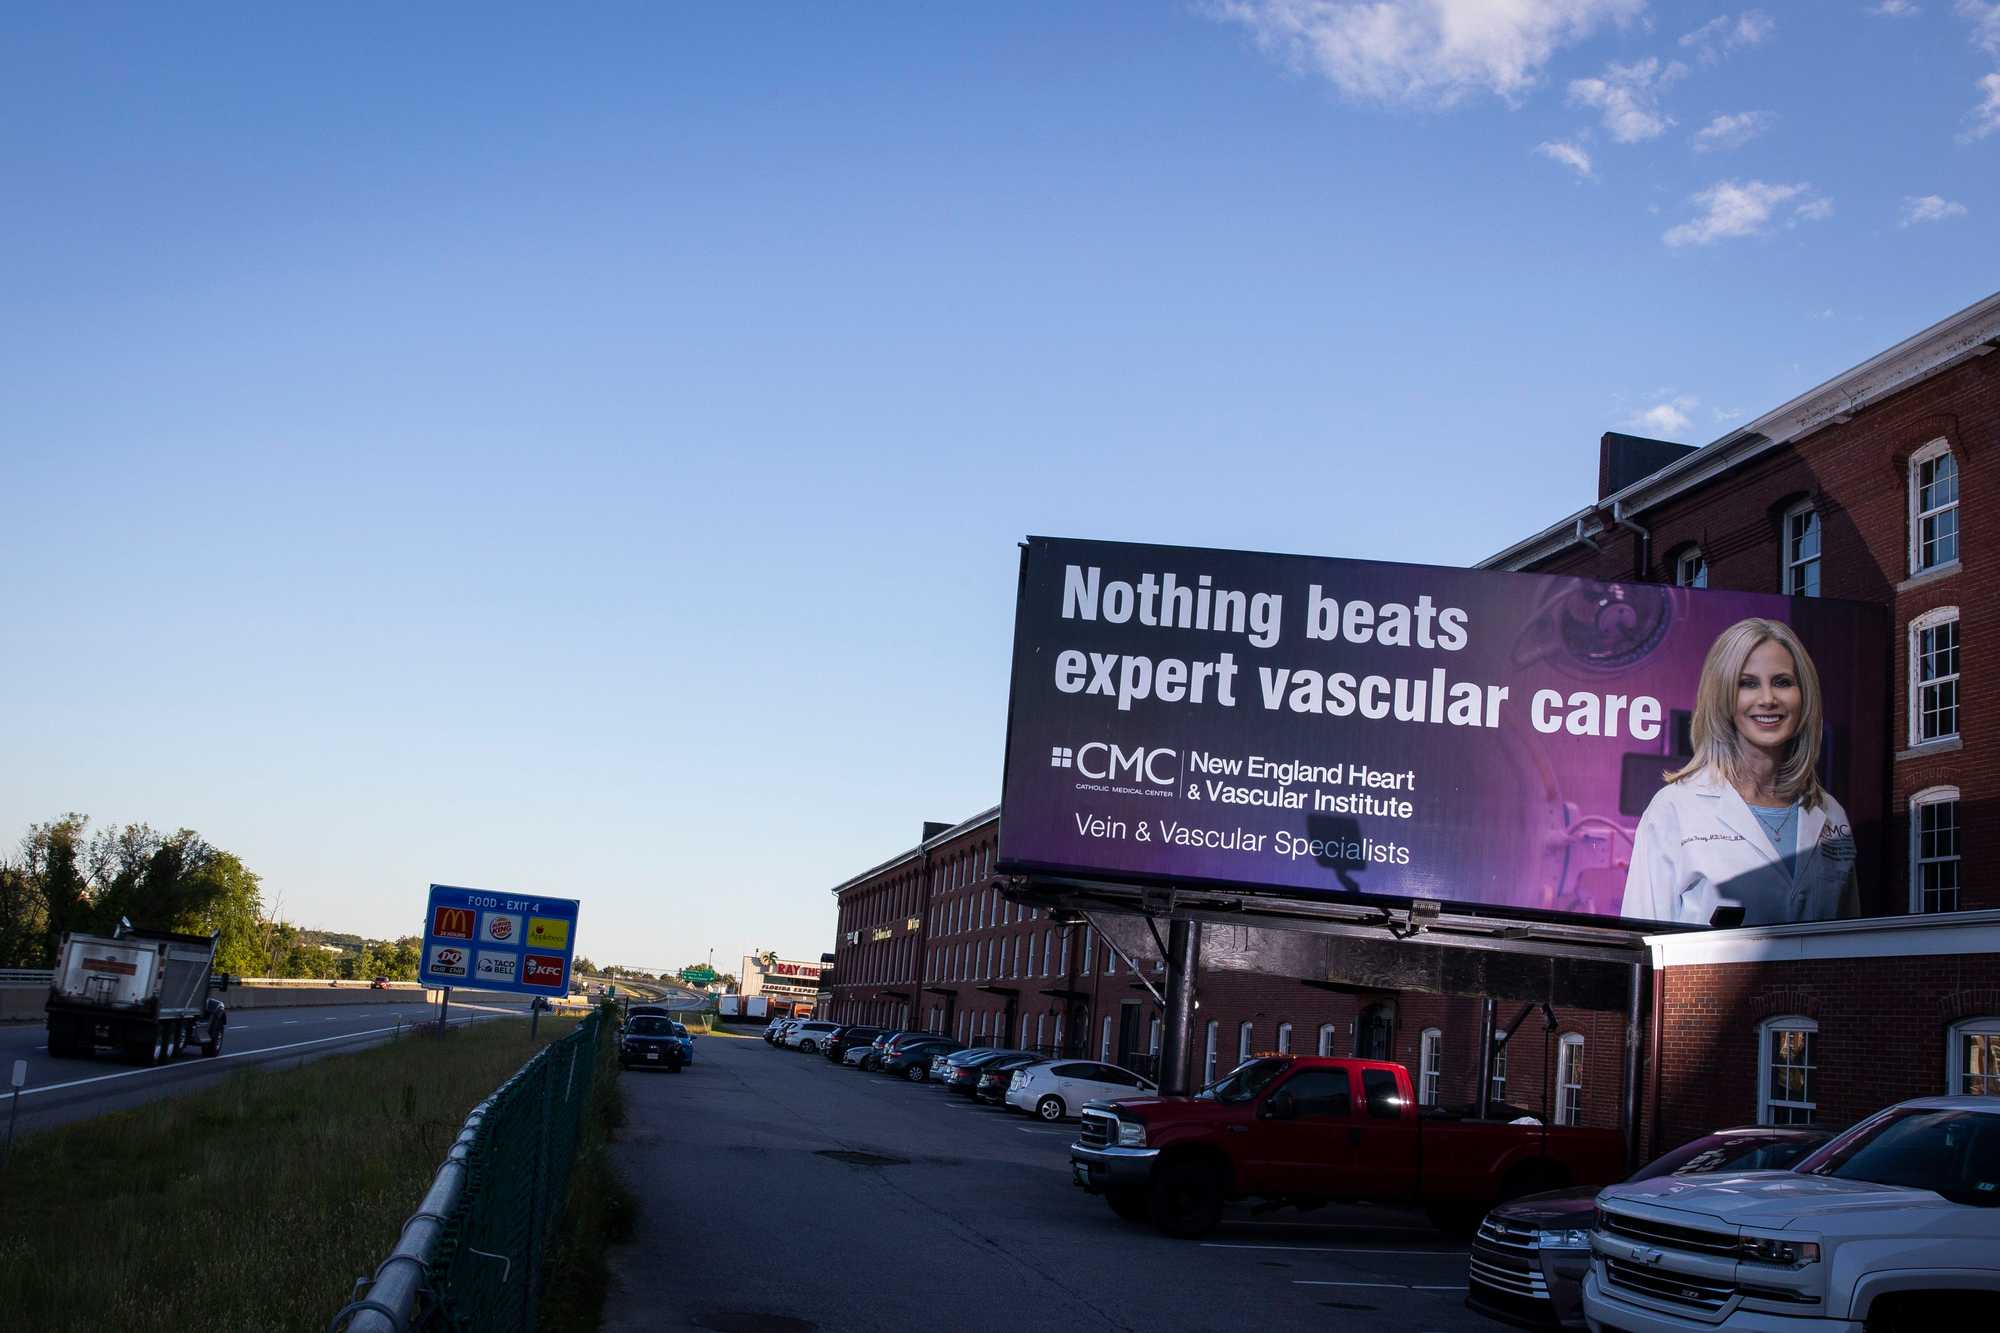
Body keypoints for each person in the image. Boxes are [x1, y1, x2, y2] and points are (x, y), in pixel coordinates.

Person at [1621, 617, 1858, 926]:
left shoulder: (1831, 814)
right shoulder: (1673, 809)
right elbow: (1643, 945)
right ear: (1722, 698)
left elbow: (1853, 946)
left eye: (1782, 682)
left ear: (1805, 696)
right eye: (1747, 683)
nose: (1768, 699)